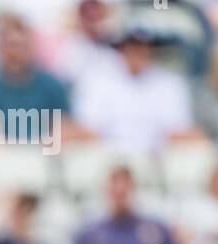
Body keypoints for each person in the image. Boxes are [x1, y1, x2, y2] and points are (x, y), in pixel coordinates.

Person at [72, 24, 200, 153]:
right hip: (108, 158)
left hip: (157, 159)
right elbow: (88, 128)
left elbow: (178, 130)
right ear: (122, 48)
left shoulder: (170, 84)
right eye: (134, 46)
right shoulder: (97, 80)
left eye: (146, 46)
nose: (141, 52)